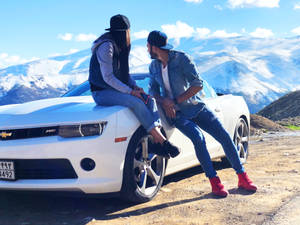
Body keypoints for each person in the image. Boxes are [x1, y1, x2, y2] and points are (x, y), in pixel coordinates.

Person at [147, 30, 257, 197]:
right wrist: (165, 102)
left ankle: (243, 177)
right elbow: (153, 91)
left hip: (196, 107)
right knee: (199, 139)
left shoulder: (181, 59)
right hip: (177, 114)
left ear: (153, 47)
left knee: (225, 137)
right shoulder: (154, 66)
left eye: (148, 46)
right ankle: (215, 183)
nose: (147, 49)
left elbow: (198, 84)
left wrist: (175, 100)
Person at [88, 15, 180, 158]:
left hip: (117, 90)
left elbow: (124, 75)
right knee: (136, 102)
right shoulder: (106, 46)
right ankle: (162, 141)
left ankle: (156, 140)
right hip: (102, 92)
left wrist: (136, 88)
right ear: (126, 32)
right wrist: (130, 92)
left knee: (149, 100)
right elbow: (108, 77)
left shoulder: (120, 46)